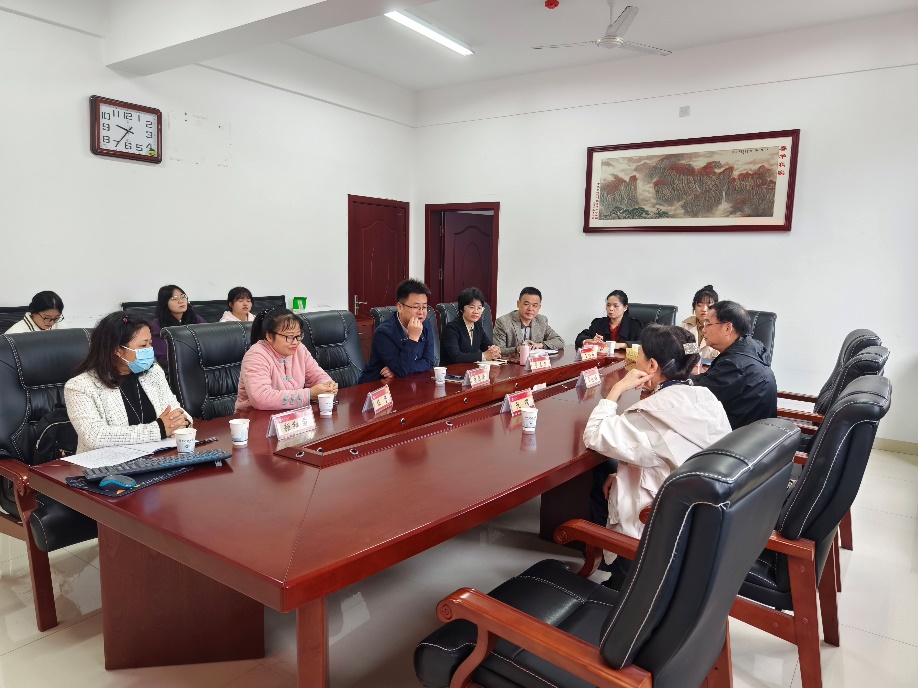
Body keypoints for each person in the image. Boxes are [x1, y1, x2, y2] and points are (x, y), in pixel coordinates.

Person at [582, 324, 731, 589]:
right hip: (697, 518)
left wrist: (617, 389)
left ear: (651, 366)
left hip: (652, 528)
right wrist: (623, 473)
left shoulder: (650, 414)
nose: (634, 362)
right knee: (610, 474)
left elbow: (594, 434)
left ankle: (619, 581)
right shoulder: (705, 397)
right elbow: (665, 454)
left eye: (638, 356)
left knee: (598, 482)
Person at [64, 312, 191, 454]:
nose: (150, 350)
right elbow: (94, 437)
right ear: (117, 350)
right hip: (106, 462)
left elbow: (179, 413)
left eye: (150, 344)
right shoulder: (80, 386)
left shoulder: (153, 372)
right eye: (143, 345)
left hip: (157, 456)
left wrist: (182, 422)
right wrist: (158, 429)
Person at [691, 300, 778, 429]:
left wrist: (672, 376)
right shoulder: (752, 348)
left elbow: (694, 396)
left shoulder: (734, 365)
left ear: (727, 328)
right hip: (755, 434)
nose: (703, 330)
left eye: (707, 324)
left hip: (736, 438)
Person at [236, 308, 337, 411]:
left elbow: (317, 375)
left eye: (298, 335)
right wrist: (308, 394)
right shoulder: (256, 355)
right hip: (255, 416)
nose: (295, 342)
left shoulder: (299, 349)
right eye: (289, 337)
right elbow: (261, 398)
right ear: (269, 336)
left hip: (292, 414)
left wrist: (327, 385)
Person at [358, 279, 438, 384]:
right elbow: (401, 370)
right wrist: (413, 339)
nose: (421, 312)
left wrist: (397, 369)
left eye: (424, 307)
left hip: (406, 383)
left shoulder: (425, 324)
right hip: (376, 386)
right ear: (400, 307)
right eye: (416, 307)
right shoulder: (384, 333)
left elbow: (429, 361)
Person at [493, 287, 565, 356]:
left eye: (534, 305)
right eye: (526, 304)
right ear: (518, 304)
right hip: (512, 363)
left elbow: (560, 341)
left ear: (539, 307)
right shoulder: (503, 322)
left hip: (535, 363)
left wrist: (539, 345)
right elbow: (497, 351)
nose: (530, 309)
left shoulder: (541, 320)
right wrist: (517, 349)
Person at [440, 287, 502, 365]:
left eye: (479, 308)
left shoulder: (477, 326)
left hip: (471, 369)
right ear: (462, 309)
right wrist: (483, 356)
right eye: (472, 307)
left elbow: (488, 346)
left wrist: (495, 350)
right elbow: (456, 356)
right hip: (452, 370)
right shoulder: (451, 329)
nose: (476, 311)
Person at [150, 285, 205, 368]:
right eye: (174, 299)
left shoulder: (195, 319)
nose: (181, 301)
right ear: (165, 303)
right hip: (175, 369)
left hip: (201, 365)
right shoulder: (157, 325)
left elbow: (209, 340)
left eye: (183, 296)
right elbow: (164, 356)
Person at [574, 290, 643, 349]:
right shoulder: (598, 323)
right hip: (602, 359)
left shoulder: (634, 325)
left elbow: (642, 344)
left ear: (625, 308)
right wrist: (591, 341)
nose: (611, 309)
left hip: (626, 360)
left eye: (616, 306)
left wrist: (620, 345)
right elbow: (580, 337)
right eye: (608, 305)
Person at [680, 285, 720, 361]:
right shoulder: (686, 325)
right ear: (694, 307)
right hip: (690, 366)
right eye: (699, 305)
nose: (704, 309)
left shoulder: (721, 327)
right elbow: (684, 354)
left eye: (709, 306)